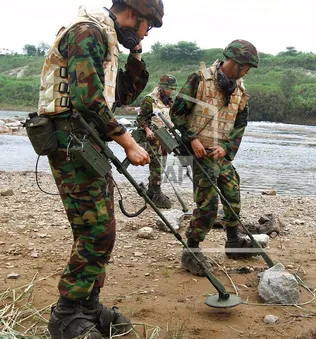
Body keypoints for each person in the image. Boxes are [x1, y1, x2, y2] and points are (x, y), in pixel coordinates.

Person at [36, 1, 163, 338]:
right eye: (148, 26)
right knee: (97, 232)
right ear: (135, 15)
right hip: (70, 141)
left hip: (85, 141)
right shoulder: (87, 33)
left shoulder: (105, 39)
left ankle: (88, 307)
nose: (147, 32)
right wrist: (128, 143)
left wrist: (136, 54)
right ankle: (65, 315)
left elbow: (120, 95)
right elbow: (88, 99)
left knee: (99, 230)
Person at [170, 39, 261, 276]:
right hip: (199, 152)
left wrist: (228, 148)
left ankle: (233, 243)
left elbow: (241, 124)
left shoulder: (240, 91)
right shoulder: (199, 79)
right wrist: (192, 138)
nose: (248, 71)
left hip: (221, 155)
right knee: (208, 204)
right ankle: (191, 251)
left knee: (232, 196)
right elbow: (177, 112)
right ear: (237, 62)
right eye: (247, 66)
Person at [136, 74, 178, 208]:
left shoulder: (168, 101)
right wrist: (147, 131)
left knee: (162, 164)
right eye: (169, 89)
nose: (171, 91)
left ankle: (152, 191)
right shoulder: (150, 99)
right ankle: (156, 193)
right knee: (157, 165)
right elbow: (141, 118)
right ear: (162, 87)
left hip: (165, 138)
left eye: (172, 89)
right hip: (152, 138)